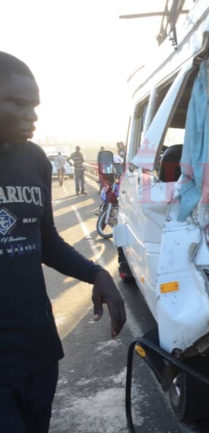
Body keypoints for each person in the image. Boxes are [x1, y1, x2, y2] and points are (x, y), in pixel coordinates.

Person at [0, 51, 126, 433]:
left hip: (38, 352)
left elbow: (47, 240)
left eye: (34, 105)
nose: (32, 116)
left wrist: (95, 273)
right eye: (18, 104)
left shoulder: (34, 159)